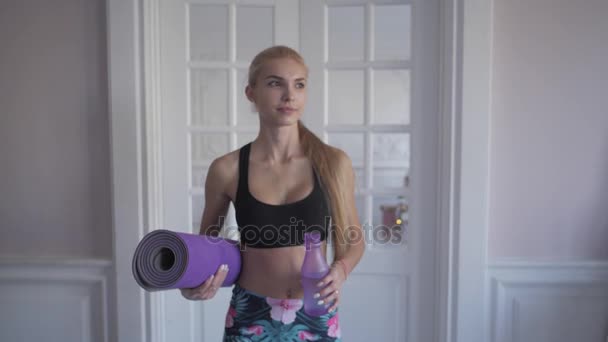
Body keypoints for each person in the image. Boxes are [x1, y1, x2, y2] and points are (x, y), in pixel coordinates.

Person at [180, 45, 365, 341]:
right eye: (275, 83)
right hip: (249, 314)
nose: (289, 95)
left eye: (299, 85)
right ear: (250, 92)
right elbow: (207, 249)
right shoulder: (227, 170)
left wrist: (340, 271)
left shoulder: (333, 163)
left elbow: (353, 241)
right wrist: (192, 285)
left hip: (317, 315)